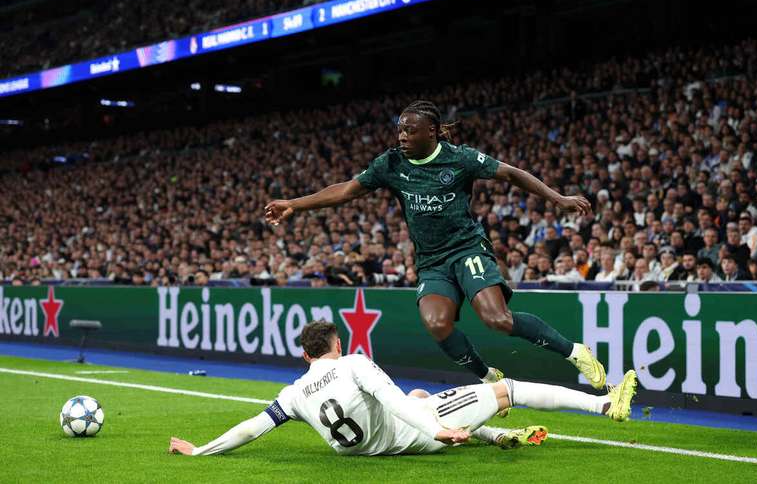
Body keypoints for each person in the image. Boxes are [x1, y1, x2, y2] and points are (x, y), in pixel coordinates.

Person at [265, 101, 606, 400]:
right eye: (400, 130)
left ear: (432, 131)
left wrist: (558, 199)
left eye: (409, 131)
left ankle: (575, 352)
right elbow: (346, 191)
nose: (401, 137)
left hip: (467, 248)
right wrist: (295, 204)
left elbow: (512, 174)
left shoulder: (461, 158)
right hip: (431, 261)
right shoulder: (392, 164)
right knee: (436, 323)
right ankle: (488, 377)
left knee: (496, 319)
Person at [169, 321, 637, 457]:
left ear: (306, 357)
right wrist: (436, 430)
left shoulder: (293, 393)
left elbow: (252, 428)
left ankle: (493, 436)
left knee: (415, 396)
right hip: (410, 436)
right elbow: (389, 400)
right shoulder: (353, 363)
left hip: (367, 447)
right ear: (338, 344)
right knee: (506, 389)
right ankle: (604, 404)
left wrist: (200, 451)